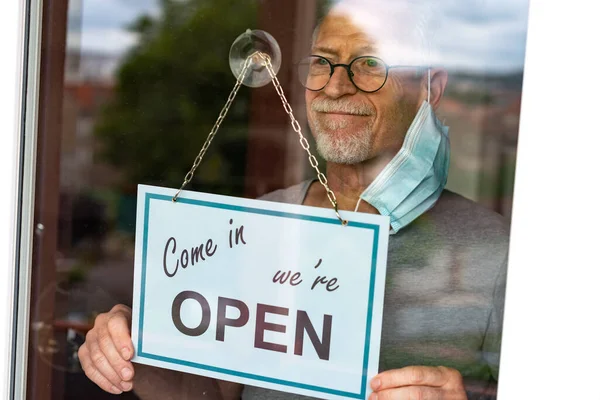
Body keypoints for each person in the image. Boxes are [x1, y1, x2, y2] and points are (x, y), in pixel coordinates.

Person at [79, 1, 508, 399]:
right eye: (322, 62)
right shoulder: (259, 223)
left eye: (371, 63)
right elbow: (211, 388)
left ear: (430, 87)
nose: (337, 87)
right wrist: (132, 353)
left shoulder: (499, 253)